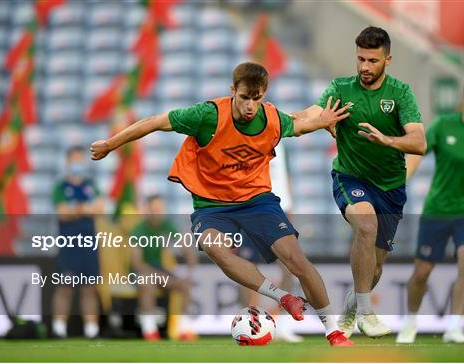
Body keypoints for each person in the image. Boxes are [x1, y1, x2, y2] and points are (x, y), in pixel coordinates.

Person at [91, 62, 354, 346]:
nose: (251, 105)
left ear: (264, 94)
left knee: (296, 260)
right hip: (211, 205)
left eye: (257, 98)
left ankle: (333, 330)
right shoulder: (207, 115)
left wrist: (324, 120)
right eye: (244, 97)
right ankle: (283, 297)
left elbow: (301, 125)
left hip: (256, 201)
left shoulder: (272, 119)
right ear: (233, 91)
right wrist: (111, 144)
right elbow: (155, 121)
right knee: (216, 249)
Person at [292, 26, 426, 338]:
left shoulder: (400, 93)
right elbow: (309, 115)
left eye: (372, 61)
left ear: (388, 60)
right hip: (350, 177)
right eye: (361, 59)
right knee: (366, 226)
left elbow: (418, 142)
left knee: (375, 269)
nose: (365, 67)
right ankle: (367, 311)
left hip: (391, 188)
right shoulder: (341, 88)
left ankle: (353, 307)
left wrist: (387, 140)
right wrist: (271, 120)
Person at [396, 77, 464, 344]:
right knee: (422, 272)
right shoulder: (443, 126)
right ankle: (410, 321)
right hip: (437, 210)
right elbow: (418, 152)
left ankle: (454, 327)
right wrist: (402, 183)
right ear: (463, 98)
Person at [236, 142, 304, 343]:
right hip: (250, 209)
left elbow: (285, 178)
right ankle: (250, 321)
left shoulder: (283, 145)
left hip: (278, 212)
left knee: (290, 267)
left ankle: (282, 323)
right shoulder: (244, 140)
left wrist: (290, 211)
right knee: (246, 268)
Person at [52, 146, 104, 338]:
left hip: (89, 241)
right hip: (69, 242)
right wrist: (84, 209)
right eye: (74, 160)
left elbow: (100, 207)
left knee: (89, 287)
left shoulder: (91, 184)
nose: (77, 164)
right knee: (65, 285)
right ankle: (58, 328)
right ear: (68, 162)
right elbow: (63, 213)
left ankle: (92, 329)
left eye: (80, 160)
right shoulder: (60, 187)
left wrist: (77, 209)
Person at [130, 194, 198, 341]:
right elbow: (137, 263)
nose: (158, 212)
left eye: (160, 209)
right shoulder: (138, 230)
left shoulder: (166, 225)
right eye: (154, 208)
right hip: (141, 272)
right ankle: (149, 330)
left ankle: (183, 328)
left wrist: (191, 265)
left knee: (184, 285)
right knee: (147, 282)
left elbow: (185, 245)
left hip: (159, 271)